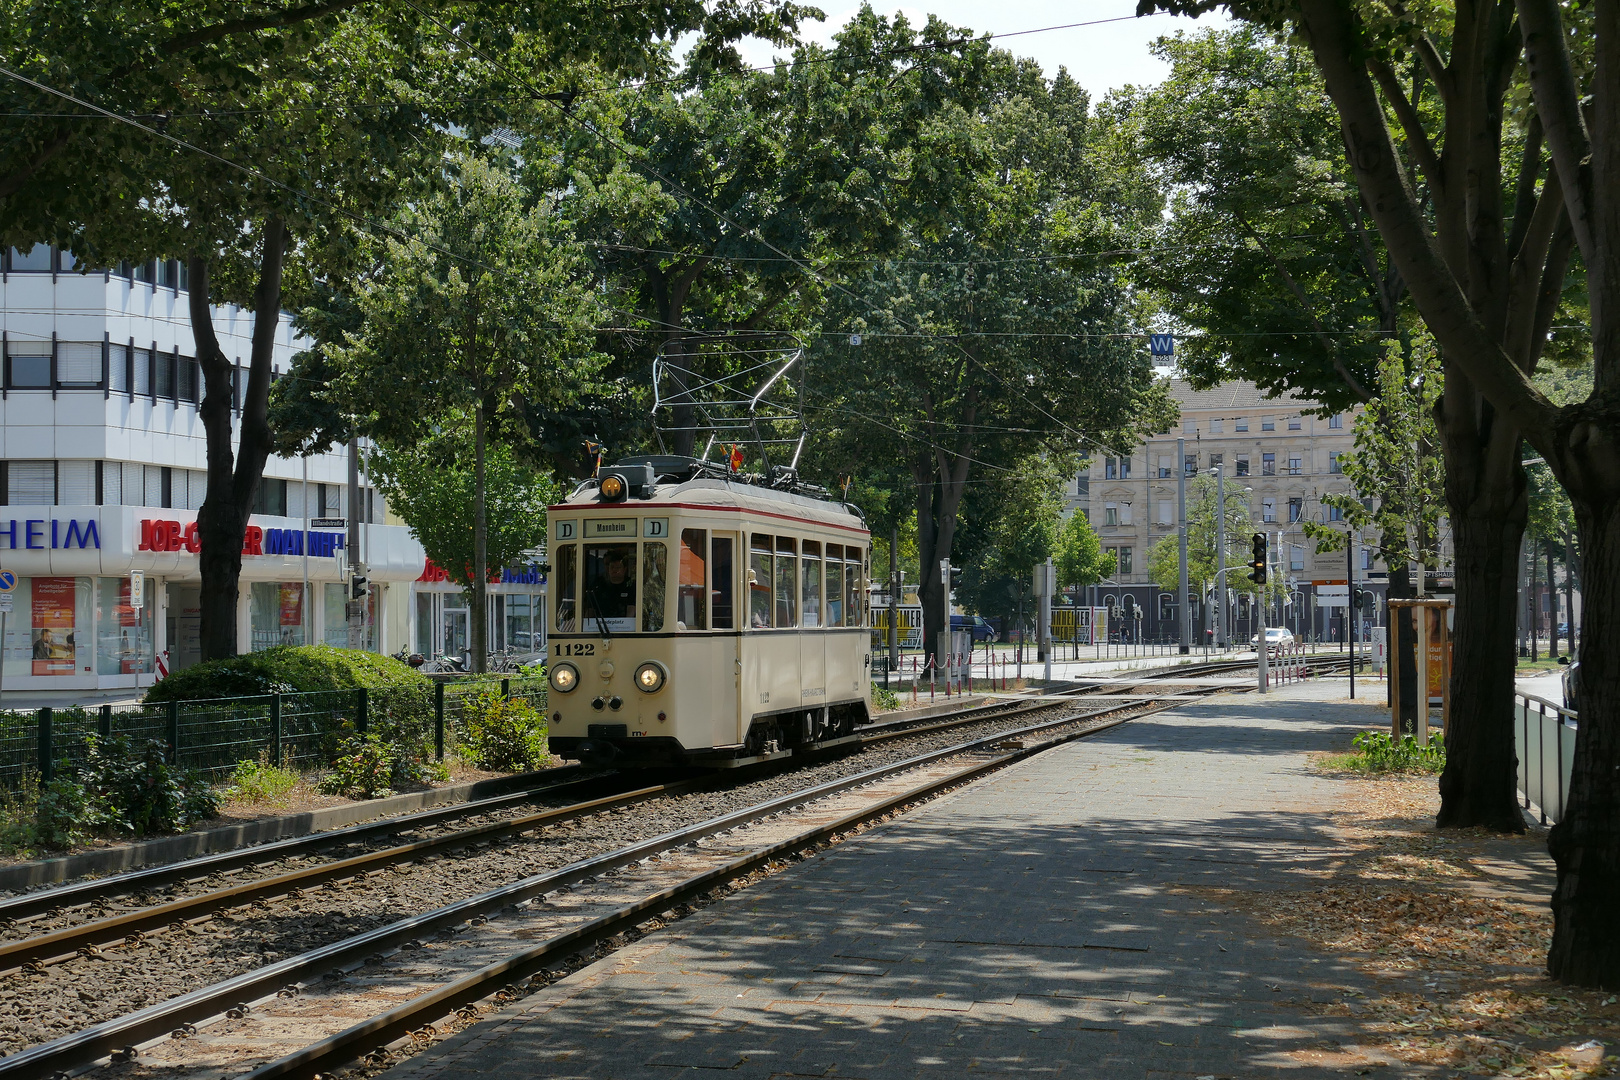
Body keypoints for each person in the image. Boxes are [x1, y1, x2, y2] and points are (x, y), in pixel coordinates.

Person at [589, 548, 636, 620]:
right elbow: (591, 609)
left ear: (624, 569)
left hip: (623, 627)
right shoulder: (598, 584)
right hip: (599, 625)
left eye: (618, 567)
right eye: (612, 567)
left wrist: (626, 625)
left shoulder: (631, 585)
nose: (614, 570)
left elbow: (632, 608)